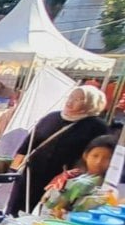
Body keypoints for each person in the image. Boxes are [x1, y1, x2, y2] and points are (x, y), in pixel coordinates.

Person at [10, 85, 109, 215]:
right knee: (16, 209)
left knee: (50, 213)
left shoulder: (96, 126)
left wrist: (79, 175)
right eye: (70, 97)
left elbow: (95, 152)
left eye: (78, 99)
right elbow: (29, 143)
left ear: (91, 103)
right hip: (32, 173)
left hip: (64, 180)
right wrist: (14, 168)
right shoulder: (52, 117)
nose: (70, 101)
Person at [38, 135, 117, 218]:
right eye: (95, 156)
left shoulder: (112, 187)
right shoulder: (68, 177)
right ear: (85, 155)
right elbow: (47, 202)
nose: (98, 162)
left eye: (107, 158)